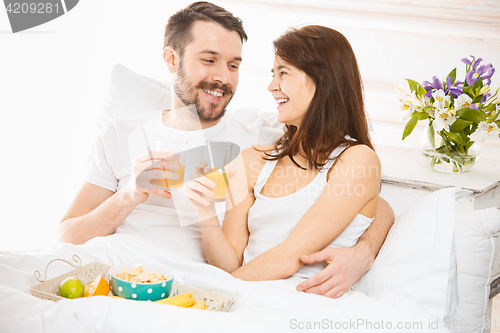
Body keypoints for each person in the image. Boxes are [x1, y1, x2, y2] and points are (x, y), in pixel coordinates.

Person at [56, 2, 394, 298]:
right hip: (108, 272)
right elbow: (66, 237)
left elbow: (369, 197)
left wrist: (364, 252)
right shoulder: (122, 133)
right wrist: (127, 196)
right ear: (172, 59)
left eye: (233, 65)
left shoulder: (257, 138)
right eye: (209, 60)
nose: (223, 77)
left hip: (189, 285)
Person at [186, 24, 382, 294]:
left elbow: (290, 258)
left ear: (322, 80)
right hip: (241, 294)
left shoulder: (357, 160)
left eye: (283, 73)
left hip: (300, 302)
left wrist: (206, 293)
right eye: (272, 74)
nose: (271, 86)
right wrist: (205, 214)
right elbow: (230, 266)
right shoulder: (252, 160)